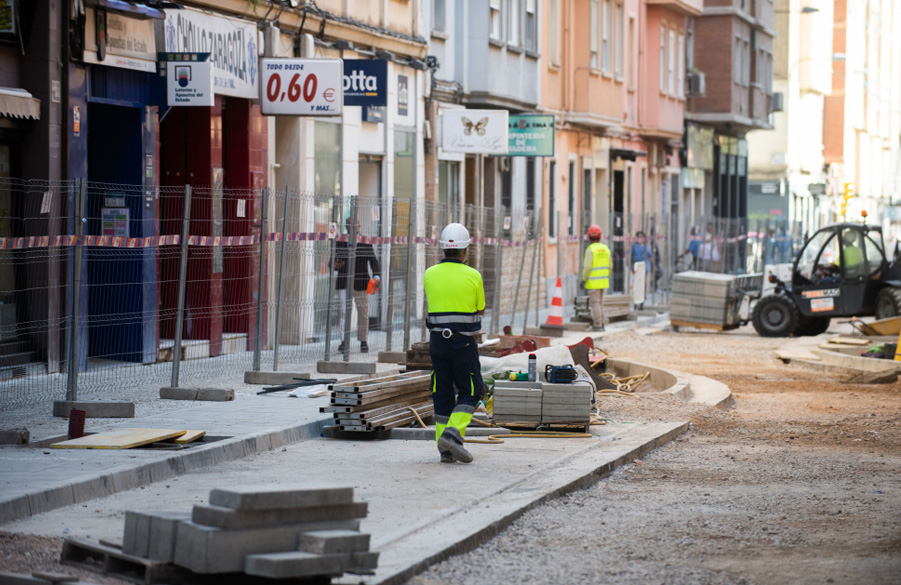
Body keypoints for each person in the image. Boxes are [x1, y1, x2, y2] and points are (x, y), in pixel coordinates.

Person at [424, 223, 485, 464]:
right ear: (465, 251)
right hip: (464, 344)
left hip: (437, 343)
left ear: (443, 250)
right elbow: (480, 308)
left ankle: (445, 450)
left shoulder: (429, 273)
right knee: (472, 390)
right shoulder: (473, 275)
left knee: (442, 393)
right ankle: (452, 433)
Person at [334, 219, 381, 353]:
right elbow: (334, 261)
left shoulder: (365, 241)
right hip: (344, 282)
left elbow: (373, 261)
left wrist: (376, 276)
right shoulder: (341, 240)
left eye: (356, 224)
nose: (353, 227)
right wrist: (336, 265)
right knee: (343, 312)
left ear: (359, 226)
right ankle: (344, 341)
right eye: (350, 224)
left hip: (361, 283)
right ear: (346, 226)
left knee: (363, 313)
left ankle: (363, 341)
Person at [581, 224, 611, 332]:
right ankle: (601, 323)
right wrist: (607, 277)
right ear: (600, 236)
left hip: (593, 283)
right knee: (600, 303)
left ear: (589, 236)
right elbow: (610, 266)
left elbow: (588, 266)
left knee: (595, 304)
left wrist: (584, 279)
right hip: (603, 282)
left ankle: (598, 325)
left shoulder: (590, 250)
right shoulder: (605, 249)